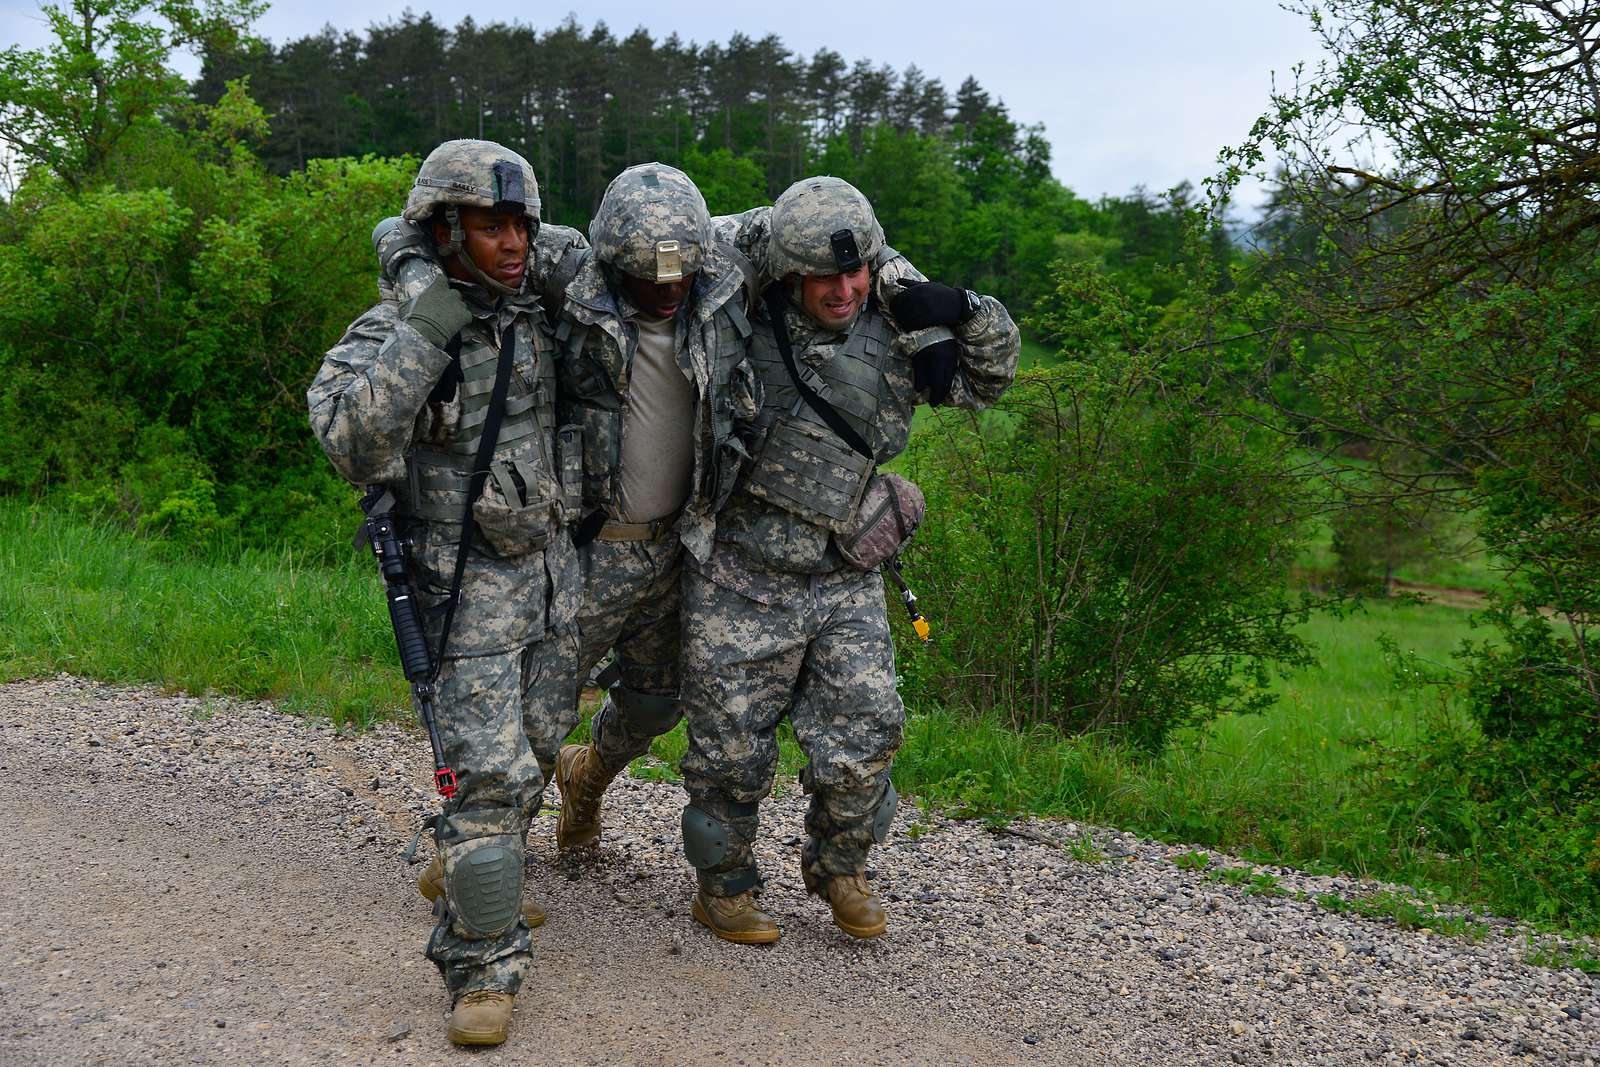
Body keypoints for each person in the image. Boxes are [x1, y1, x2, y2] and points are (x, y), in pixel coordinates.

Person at [678, 175, 1020, 944]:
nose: (845, 288)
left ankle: (840, 867)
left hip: (843, 572)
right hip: (742, 571)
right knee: (730, 750)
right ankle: (724, 885)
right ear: (790, 272)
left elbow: (991, 378)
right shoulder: (735, 310)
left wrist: (962, 307)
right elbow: (683, 244)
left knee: (866, 734)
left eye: (856, 271)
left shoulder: (899, 325)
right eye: (824, 277)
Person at [307, 139, 578, 1047]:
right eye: (491, 224)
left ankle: (468, 865)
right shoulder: (395, 331)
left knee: (532, 760)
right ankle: (481, 965)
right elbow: (350, 441)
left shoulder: (534, 314)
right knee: (490, 787)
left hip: (551, 590)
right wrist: (426, 323)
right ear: (445, 227)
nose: (512, 243)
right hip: (462, 603)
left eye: (520, 225)